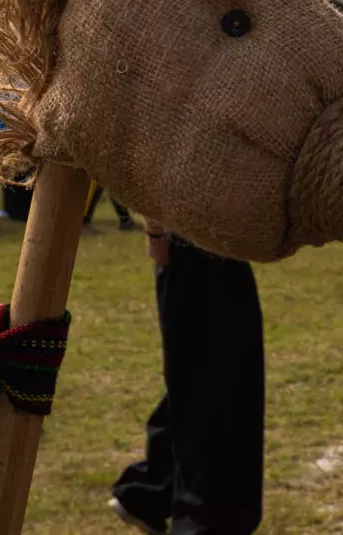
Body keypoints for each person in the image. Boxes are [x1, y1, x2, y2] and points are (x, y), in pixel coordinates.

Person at [109, 220, 265, 534]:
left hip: (214, 239)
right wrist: (156, 231)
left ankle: (152, 489)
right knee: (217, 388)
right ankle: (198, 522)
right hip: (192, 240)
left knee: (208, 378)